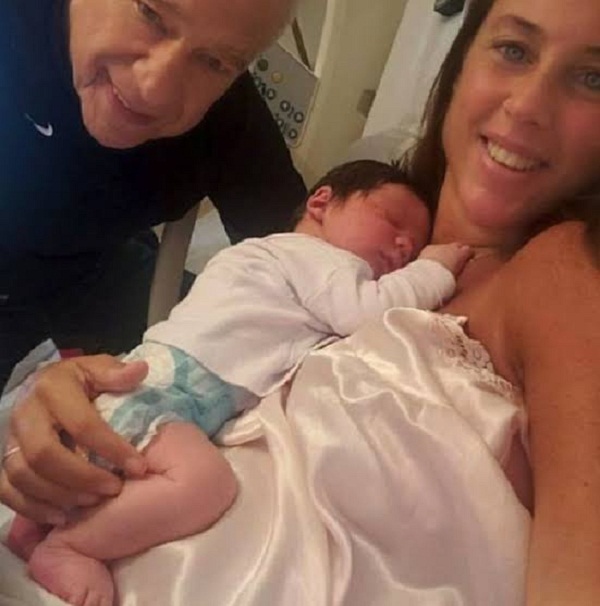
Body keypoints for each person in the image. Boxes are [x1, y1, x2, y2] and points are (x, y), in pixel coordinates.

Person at [1, 0, 599, 605]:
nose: (528, 106)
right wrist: (88, 385)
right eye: (514, 49)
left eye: (593, 78)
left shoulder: (563, 277)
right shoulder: (367, 247)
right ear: (461, 62)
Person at [5, 159, 472, 606]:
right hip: (176, 387)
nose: (403, 246)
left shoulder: (274, 264)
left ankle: (31, 529)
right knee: (206, 485)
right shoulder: (317, 258)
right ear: (321, 203)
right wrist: (432, 267)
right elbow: (366, 313)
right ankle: (71, 546)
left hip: (153, 374)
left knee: (93, 463)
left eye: (414, 246)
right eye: (391, 221)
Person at [0, 0, 307, 391]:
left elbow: (304, 262)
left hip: (92, 266)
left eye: (213, 62)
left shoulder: (229, 120)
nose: (153, 90)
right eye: (150, 14)